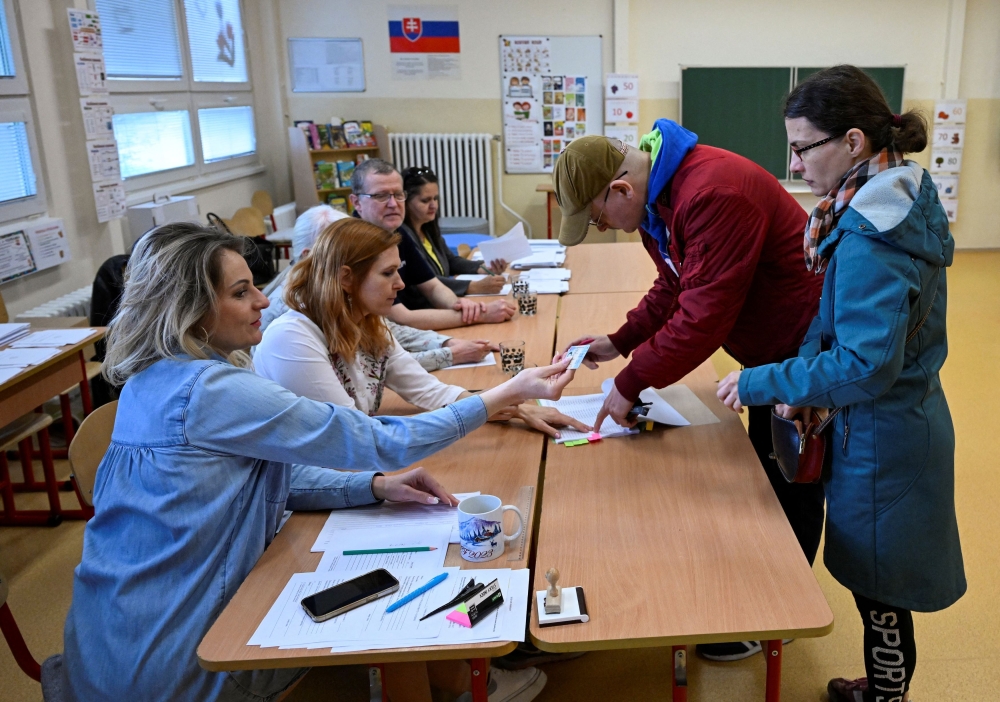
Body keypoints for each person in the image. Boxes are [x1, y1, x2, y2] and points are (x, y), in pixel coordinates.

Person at [43, 222, 575, 702]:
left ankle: (457, 679)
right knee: (407, 599)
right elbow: (376, 440)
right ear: (191, 310)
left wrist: (372, 487)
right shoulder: (211, 391)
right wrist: (499, 397)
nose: (261, 300)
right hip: (180, 666)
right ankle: (458, 681)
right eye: (241, 291)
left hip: (109, 646)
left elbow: (259, 475)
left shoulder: (149, 382)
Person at [717, 65, 964, 702]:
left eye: (803, 147)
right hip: (883, 424)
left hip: (884, 439)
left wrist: (762, 382)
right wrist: (802, 384)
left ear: (853, 142)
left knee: (878, 586)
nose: (795, 164)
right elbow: (843, 332)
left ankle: (883, 694)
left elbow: (863, 363)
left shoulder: (871, 236)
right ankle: (884, 686)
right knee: (874, 576)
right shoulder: (879, 202)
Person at [551, 127, 825, 661]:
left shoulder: (712, 192)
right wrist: (621, 340)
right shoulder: (661, 198)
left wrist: (630, 383)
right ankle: (765, 588)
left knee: (791, 474)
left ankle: (782, 613)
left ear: (621, 191)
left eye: (600, 218)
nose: (605, 228)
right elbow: (673, 286)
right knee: (765, 466)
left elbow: (703, 316)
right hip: (766, 349)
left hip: (797, 346)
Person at [255, 216, 591, 444]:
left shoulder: (368, 324)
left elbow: (431, 392)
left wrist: (515, 408)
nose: (400, 283)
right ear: (345, 278)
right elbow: (359, 436)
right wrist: (506, 394)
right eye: (387, 274)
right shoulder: (293, 338)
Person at [261, 204, 495, 371]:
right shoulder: (293, 307)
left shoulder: (333, 287)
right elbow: (368, 366)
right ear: (309, 256)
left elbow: (387, 332)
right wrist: (449, 355)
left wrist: (445, 343)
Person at [350, 159, 516, 331]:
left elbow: (432, 286)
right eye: (381, 196)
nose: (393, 204)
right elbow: (401, 318)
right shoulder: (355, 245)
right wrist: (480, 314)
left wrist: (460, 305)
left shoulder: (398, 232)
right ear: (356, 202)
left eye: (398, 195)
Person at [400, 166, 507, 297]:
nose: (434, 205)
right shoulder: (403, 237)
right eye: (425, 200)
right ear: (405, 202)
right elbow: (424, 281)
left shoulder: (427, 228)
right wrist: (472, 287)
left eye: (435, 198)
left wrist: (483, 267)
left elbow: (451, 261)